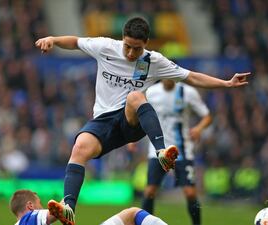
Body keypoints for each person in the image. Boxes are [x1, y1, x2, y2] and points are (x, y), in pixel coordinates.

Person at [35, 17, 250, 225]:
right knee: (79, 147)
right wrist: (52, 39)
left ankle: (162, 153)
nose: (130, 53)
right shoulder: (105, 47)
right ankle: (69, 208)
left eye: (136, 49)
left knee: (135, 96)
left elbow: (190, 76)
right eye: (127, 46)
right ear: (122, 38)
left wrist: (226, 84)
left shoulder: (152, 61)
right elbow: (75, 42)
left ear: (145, 44)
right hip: (103, 120)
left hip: (131, 119)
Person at [141, 79, 212, 225]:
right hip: (158, 150)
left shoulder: (188, 92)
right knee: (149, 192)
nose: (169, 80)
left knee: (190, 193)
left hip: (182, 151)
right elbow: (138, 114)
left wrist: (198, 128)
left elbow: (207, 116)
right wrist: (130, 140)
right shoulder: (151, 92)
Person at [10, 189, 168, 225]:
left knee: (130, 215)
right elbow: (53, 213)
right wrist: (66, 202)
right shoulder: (27, 220)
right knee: (133, 214)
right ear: (30, 206)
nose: (41, 207)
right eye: (38, 203)